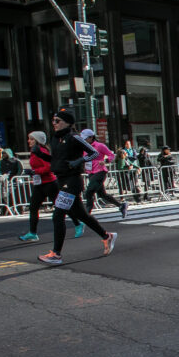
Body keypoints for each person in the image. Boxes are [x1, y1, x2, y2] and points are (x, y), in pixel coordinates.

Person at [38, 109, 117, 265]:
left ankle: (56, 254)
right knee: (82, 215)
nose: (54, 123)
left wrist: (78, 161)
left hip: (72, 181)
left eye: (57, 121)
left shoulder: (74, 137)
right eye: (53, 120)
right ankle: (107, 236)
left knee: (58, 215)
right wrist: (41, 155)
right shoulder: (55, 138)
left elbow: (93, 152)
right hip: (61, 180)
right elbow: (55, 159)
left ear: (67, 123)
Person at [19, 131, 57, 242]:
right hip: (39, 184)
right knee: (33, 207)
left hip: (49, 183)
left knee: (60, 206)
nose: (28, 141)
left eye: (31, 139)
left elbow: (49, 167)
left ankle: (77, 222)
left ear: (37, 141)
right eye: (29, 138)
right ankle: (32, 233)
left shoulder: (42, 151)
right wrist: (33, 173)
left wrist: (34, 171)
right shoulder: (34, 151)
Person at [81, 129, 128, 219]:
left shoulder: (99, 146)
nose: (84, 140)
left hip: (100, 171)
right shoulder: (84, 147)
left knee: (89, 192)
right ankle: (121, 206)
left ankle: (87, 214)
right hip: (90, 172)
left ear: (91, 137)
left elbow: (111, 155)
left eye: (86, 138)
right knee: (102, 194)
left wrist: (105, 160)